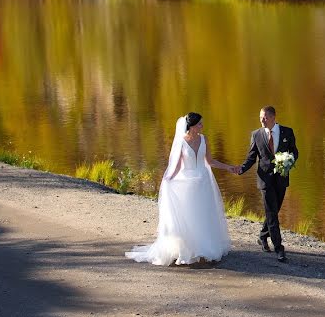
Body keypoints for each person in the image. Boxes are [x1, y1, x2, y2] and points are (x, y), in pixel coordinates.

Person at [126, 112, 237, 265]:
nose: (202, 126)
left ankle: (204, 248)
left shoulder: (204, 139)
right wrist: (168, 180)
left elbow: (210, 161)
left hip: (203, 182)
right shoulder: (181, 142)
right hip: (188, 184)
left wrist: (229, 167)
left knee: (204, 215)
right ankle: (189, 249)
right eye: (199, 124)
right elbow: (177, 166)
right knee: (191, 216)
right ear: (191, 127)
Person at [238, 105, 298, 262]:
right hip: (265, 180)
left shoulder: (287, 132)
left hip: (281, 178)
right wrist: (241, 169)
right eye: (260, 117)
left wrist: (289, 161)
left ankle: (262, 236)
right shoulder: (256, 135)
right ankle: (279, 248)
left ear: (273, 117)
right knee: (271, 212)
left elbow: (294, 152)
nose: (261, 120)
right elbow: (252, 157)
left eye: (264, 117)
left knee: (274, 210)